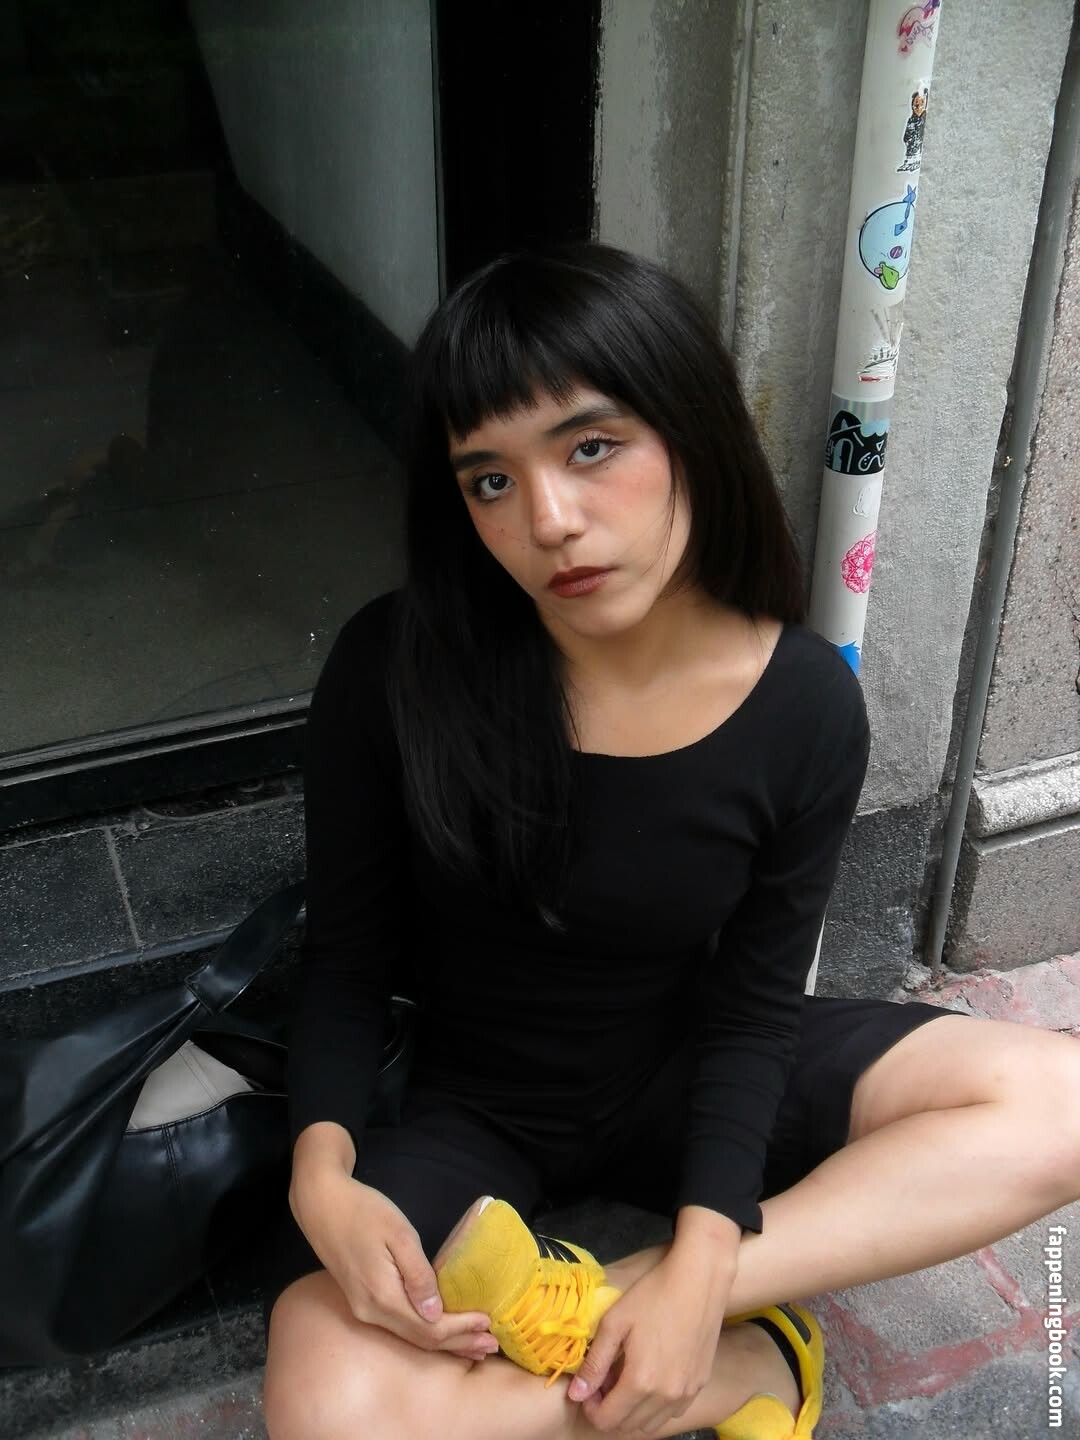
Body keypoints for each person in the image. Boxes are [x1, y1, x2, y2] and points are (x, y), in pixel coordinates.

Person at [261, 243, 1080, 1440]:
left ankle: (687, 1317)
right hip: (470, 1105)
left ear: (690, 430)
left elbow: (755, 1005)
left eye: (592, 448)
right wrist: (321, 1175)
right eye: (489, 479)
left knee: (1061, 1100)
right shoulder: (395, 667)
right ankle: (727, 1365)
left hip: (684, 1070)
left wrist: (699, 1262)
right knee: (326, 1400)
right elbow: (344, 957)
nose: (549, 520)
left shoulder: (801, 704)